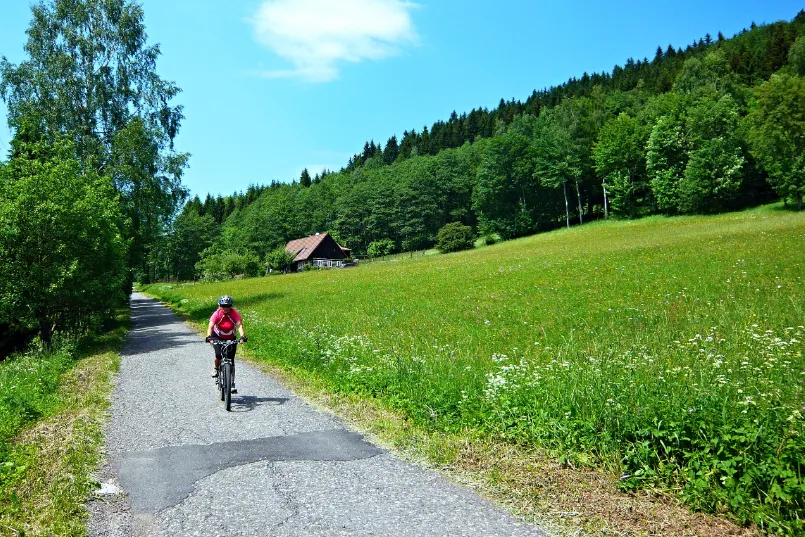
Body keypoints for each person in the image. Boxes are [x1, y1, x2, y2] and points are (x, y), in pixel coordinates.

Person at [205, 295, 246, 394]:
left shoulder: (234, 313)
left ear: (231, 306)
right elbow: (210, 326)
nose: (226, 308)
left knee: (231, 360)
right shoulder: (217, 314)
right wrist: (209, 336)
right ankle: (216, 368)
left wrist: (243, 336)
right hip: (217, 336)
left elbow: (239, 325)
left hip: (231, 337)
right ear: (220, 306)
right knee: (218, 355)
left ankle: (232, 383)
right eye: (223, 306)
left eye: (228, 306)